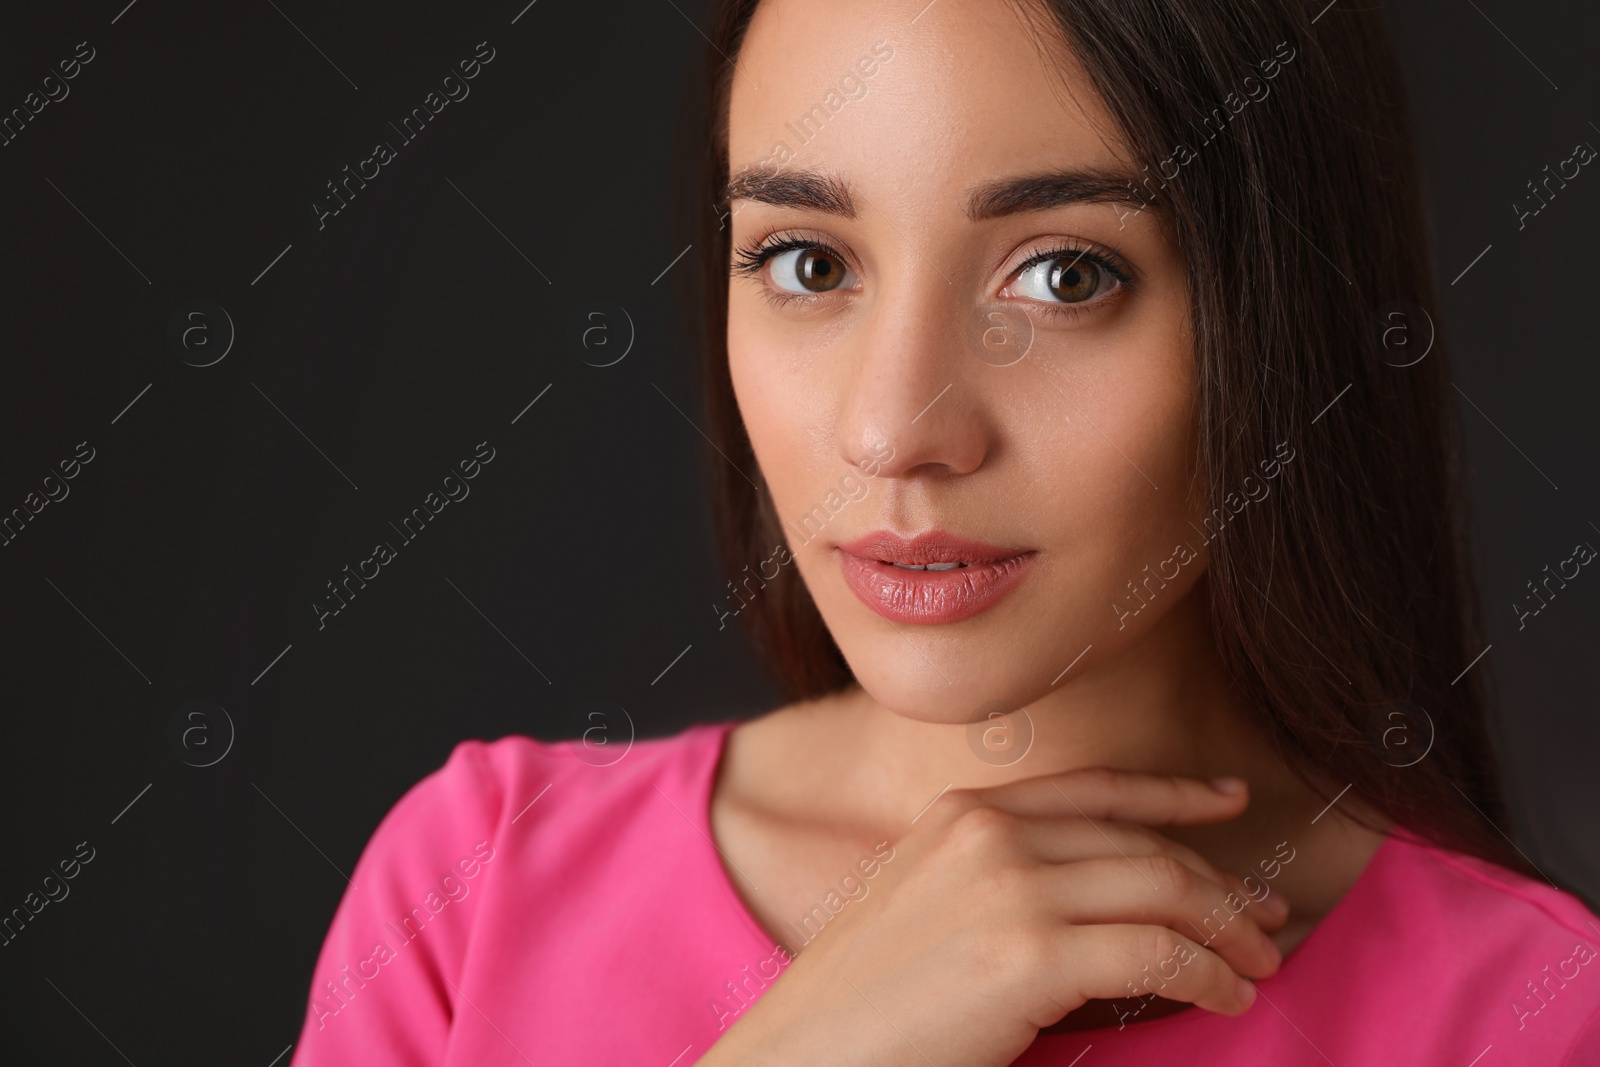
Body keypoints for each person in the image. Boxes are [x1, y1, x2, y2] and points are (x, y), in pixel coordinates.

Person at [290, 0, 1600, 1063]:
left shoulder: (1528, 1016)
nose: (895, 432)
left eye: (1065, 274)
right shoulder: (477, 889)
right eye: (809, 263)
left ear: (1285, 313)